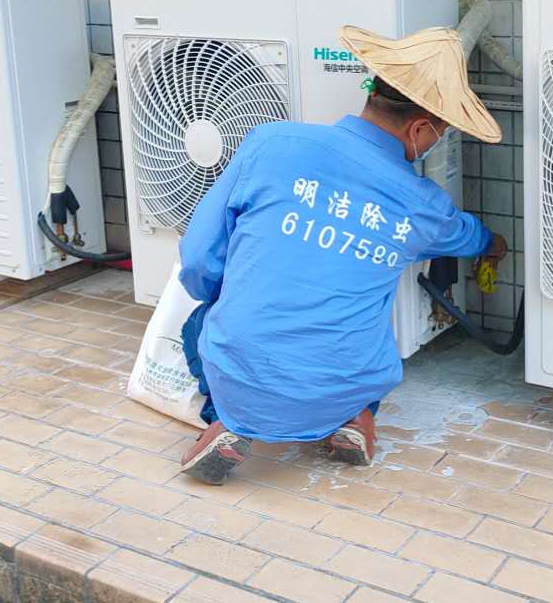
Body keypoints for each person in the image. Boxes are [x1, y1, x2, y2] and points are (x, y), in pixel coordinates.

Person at [177, 24, 508, 484]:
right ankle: (356, 418)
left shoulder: (271, 143)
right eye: (440, 132)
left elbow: (197, 258)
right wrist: (494, 245)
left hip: (245, 367)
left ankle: (226, 420)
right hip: (342, 378)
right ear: (419, 128)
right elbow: (466, 235)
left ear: (373, 92)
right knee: (366, 333)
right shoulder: (424, 206)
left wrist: (227, 299)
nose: (436, 142)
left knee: (200, 323)